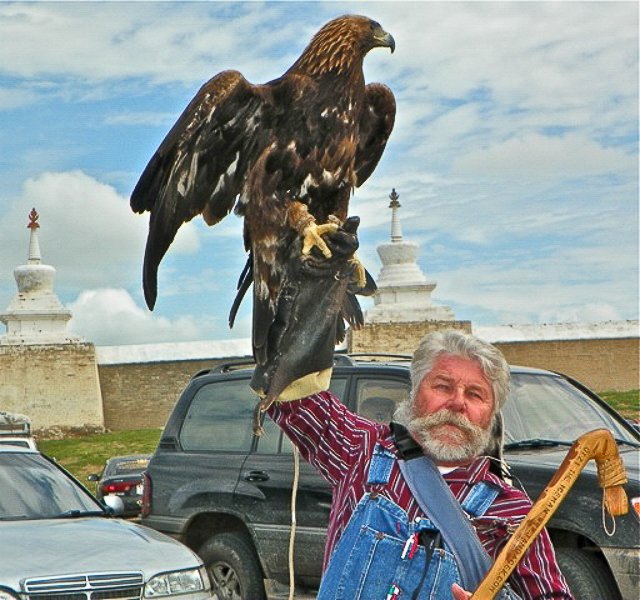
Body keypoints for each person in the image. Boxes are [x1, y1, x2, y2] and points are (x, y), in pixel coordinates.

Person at [268, 329, 573, 599]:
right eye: (443, 386)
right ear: (414, 393)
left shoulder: (513, 512)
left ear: (490, 415)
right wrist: (304, 303)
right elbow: (291, 388)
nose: (458, 403)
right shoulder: (362, 449)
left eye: (475, 394)